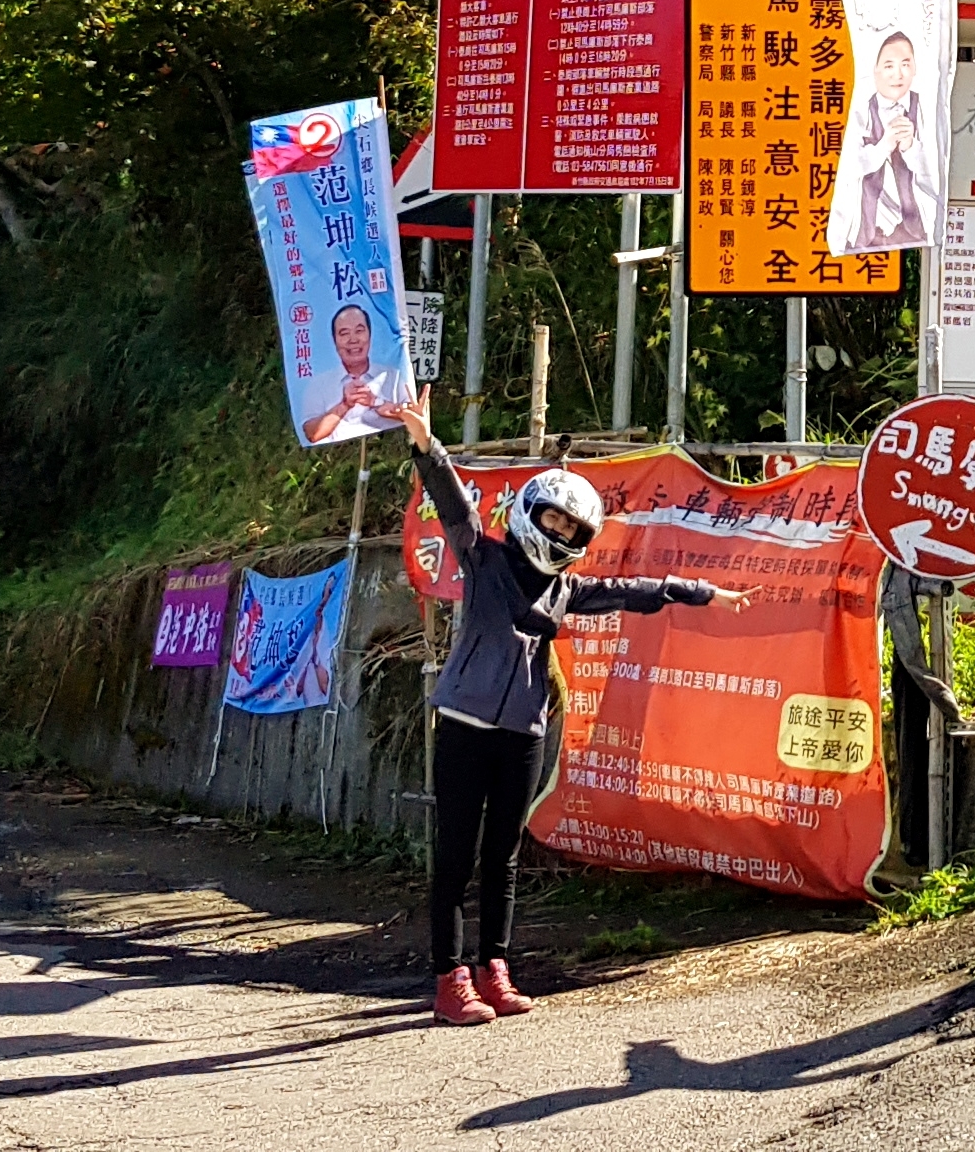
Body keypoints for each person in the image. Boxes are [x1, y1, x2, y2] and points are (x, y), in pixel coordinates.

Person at [391, 396, 752, 1025]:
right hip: (464, 727)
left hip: (525, 733)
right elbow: (452, 502)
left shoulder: (567, 589)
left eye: (573, 531)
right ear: (532, 514)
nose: (560, 535)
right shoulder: (485, 557)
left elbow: (638, 591)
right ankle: (450, 979)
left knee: (504, 855)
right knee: (454, 853)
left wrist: (707, 593)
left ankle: (494, 970)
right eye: (553, 522)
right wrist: (426, 443)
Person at [830, 29, 939, 254]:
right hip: (866, 230)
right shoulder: (861, 110)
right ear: (876, 70)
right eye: (889, 66)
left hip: (915, 227)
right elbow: (849, 166)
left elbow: (937, 169)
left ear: (915, 69)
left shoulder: (924, 109)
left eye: (905, 65)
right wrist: (883, 147)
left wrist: (911, 148)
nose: (897, 74)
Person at [297, 302, 403, 445]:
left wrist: (376, 402)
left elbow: (413, 415)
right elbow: (313, 434)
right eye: (344, 333)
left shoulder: (393, 376)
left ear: (370, 335)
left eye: (359, 331)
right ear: (334, 341)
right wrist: (344, 405)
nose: (353, 340)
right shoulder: (318, 385)